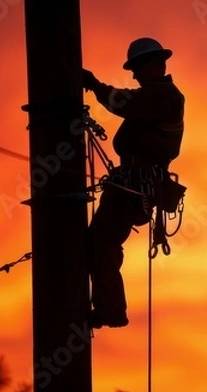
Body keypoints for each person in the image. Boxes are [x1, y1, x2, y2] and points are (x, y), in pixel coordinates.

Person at [82, 37, 185, 328]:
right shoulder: (155, 99)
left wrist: (94, 84)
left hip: (135, 187)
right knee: (98, 243)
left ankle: (111, 310)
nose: (134, 74)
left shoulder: (162, 97)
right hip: (129, 186)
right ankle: (107, 306)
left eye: (138, 67)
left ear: (156, 64)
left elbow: (120, 102)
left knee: (102, 243)